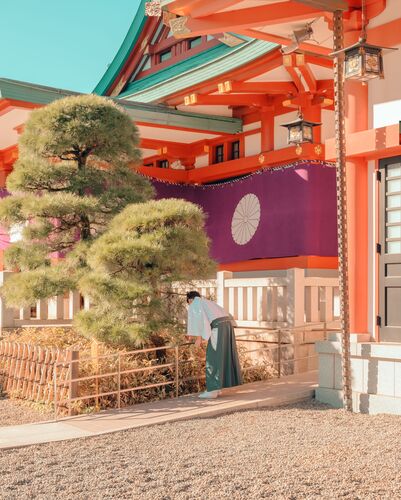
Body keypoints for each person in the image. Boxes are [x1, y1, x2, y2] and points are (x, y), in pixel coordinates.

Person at [186, 291, 242, 399]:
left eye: (188, 303)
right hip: (227, 326)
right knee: (223, 356)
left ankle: (212, 390)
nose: (189, 305)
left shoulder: (195, 303)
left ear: (190, 299)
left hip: (218, 327)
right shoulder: (207, 302)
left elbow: (199, 321)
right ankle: (218, 387)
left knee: (213, 357)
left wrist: (198, 339)